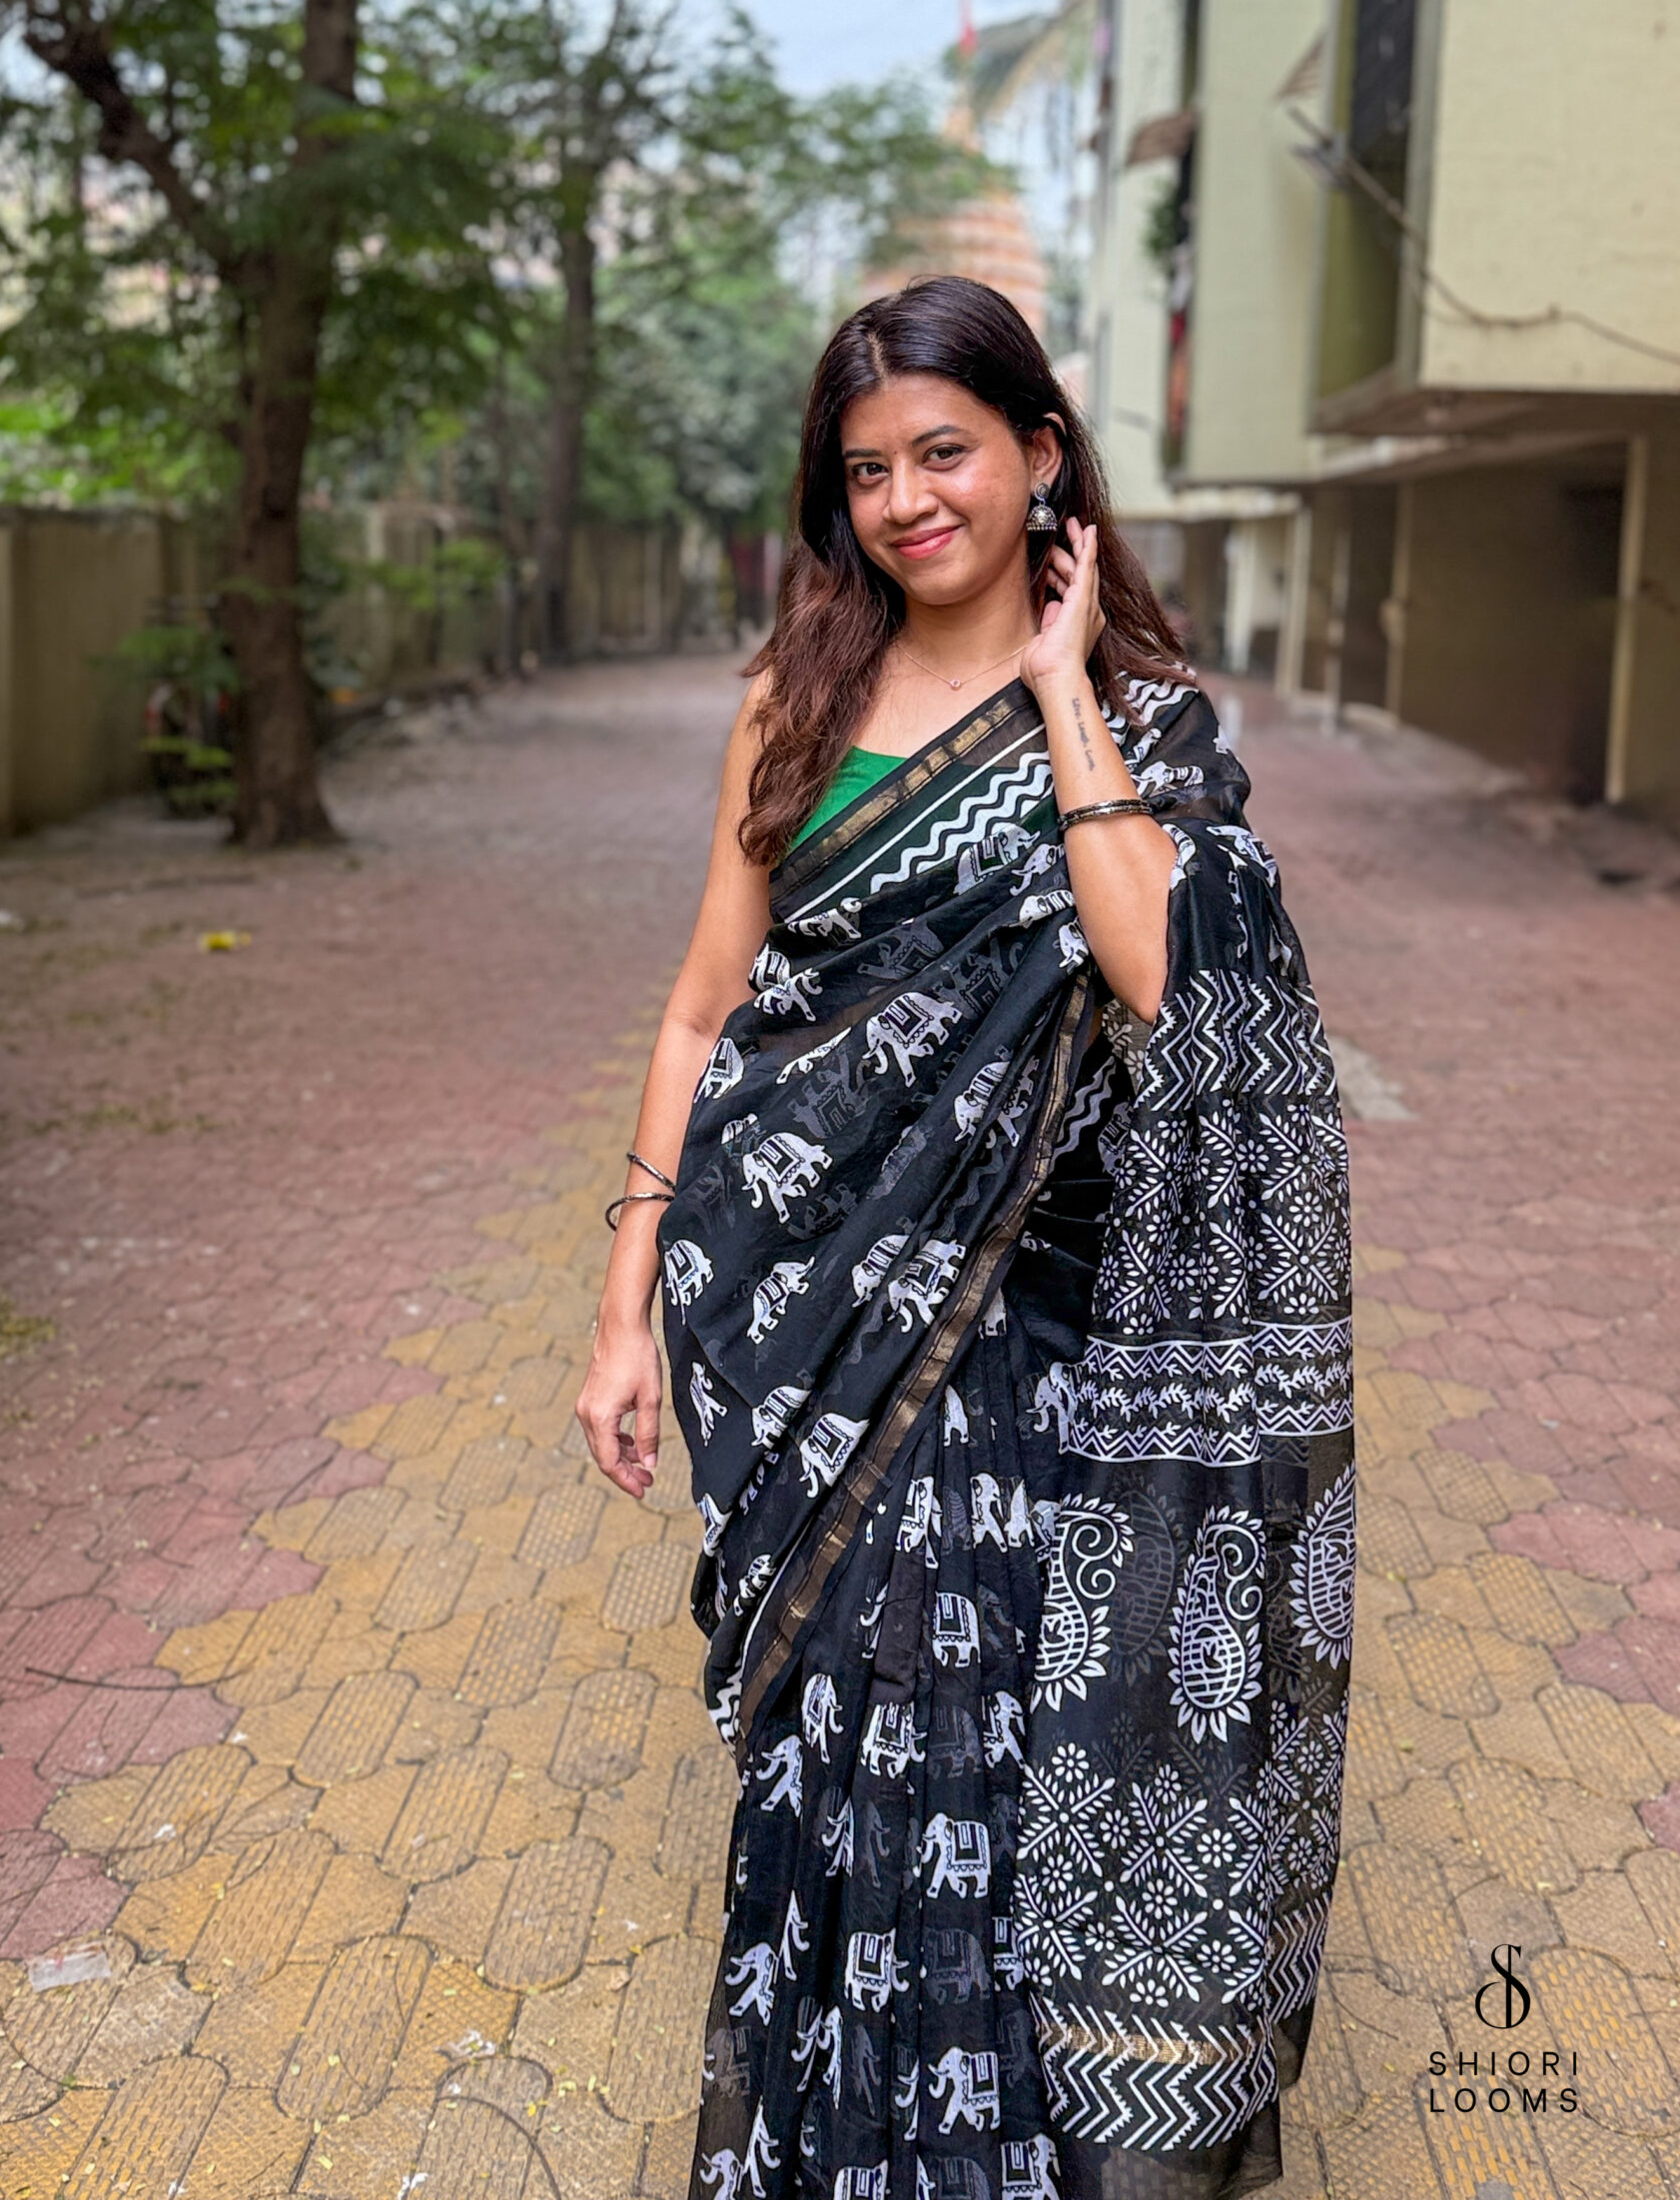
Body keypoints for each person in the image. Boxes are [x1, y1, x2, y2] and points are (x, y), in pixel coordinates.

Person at [576, 277, 1353, 2200]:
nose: (909, 502)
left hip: (1042, 1324)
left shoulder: (1157, 724)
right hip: (794, 1326)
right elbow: (704, 1013)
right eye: (867, 473)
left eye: (945, 452)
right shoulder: (798, 700)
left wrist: (1068, 682)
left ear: (1039, 459)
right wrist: (620, 1301)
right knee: (836, 1742)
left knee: (996, 1740)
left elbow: (1159, 962)